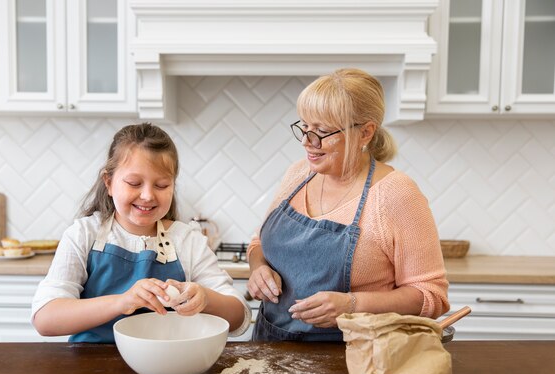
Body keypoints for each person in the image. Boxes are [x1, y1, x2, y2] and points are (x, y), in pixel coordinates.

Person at [246, 68, 449, 342]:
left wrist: (353, 305)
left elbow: (431, 296)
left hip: (355, 360)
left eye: (322, 131)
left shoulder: (396, 194)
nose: (307, 141)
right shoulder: (298, 174)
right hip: (269, 349)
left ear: (365, 132)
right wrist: (258, 267)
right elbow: (258, 243)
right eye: (304, 126)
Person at [32, 123, 251, 343]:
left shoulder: (187, 240)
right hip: (91, 368)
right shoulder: (84, 234)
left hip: (167, 366)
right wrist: (122, 302)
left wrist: (206, 299)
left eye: (162, 185)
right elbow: (45, 318)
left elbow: (240, 316)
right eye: (134, 183)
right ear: (108, 183)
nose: (147, 195)